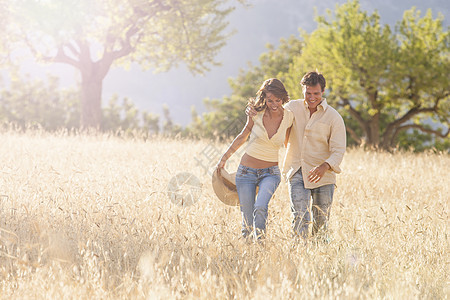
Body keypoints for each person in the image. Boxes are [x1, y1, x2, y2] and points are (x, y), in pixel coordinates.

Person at [247, 71, 346, 240]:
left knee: (321, 221)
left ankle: (318, 258)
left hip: (324, 176)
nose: (312, 97)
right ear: (303, 90)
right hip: (297, 171)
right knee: (300, 216)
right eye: (308, 93)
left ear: (323, 91)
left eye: (316, 93)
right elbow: (273, 111)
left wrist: (325, 166)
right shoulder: (292, 107)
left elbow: (338, 149)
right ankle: (299, 253)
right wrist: (254, 110)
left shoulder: (333, 117)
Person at [217, 78, 294, 240]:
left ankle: (260, 244)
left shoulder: (289, 117)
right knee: (247, 223)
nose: (274, 104)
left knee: (260, 207)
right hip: (246, 173)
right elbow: (242, 136)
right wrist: (224, 158)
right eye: (270, 100)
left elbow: (292, 142)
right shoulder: (255, 113)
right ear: (264, 97)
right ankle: (250, 257)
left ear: (283, 98)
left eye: (278, 100)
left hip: (271, 173)